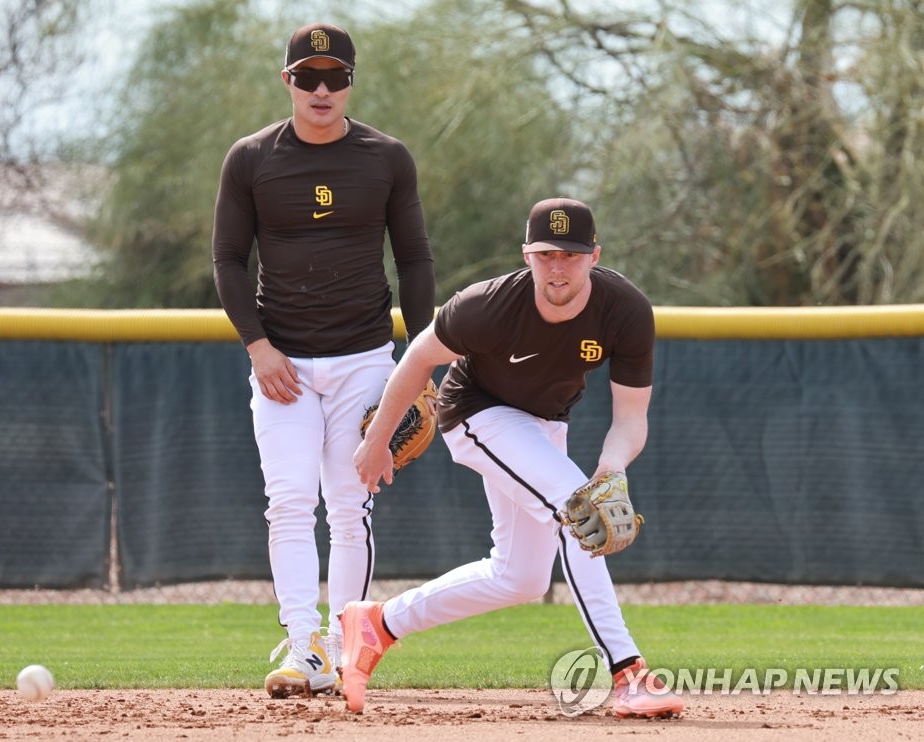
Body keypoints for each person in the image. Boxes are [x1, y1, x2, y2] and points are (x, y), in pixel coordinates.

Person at [343, 197, 684, 718]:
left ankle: (379, 624)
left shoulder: (625, 310)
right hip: (479, 413)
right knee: (581, 514)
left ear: (594, 256)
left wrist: (612, 469)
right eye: (546, 252)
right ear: (527, 254)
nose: (557, 266)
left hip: (546, 423)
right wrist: (375, 442)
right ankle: (628, 673)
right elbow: (418, 358)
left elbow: (631, 417)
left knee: (520, 577)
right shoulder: (486, 306)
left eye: (570, 254)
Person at [211, 22, 435, 698]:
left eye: (334, 76)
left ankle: (345, 646)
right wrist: (257, 345)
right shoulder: (250, 159)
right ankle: (304, 645)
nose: (320, 88)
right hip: (281, 363)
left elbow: (416, 259)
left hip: (365, 359)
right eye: (307, 76)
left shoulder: (386, 157)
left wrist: (420, 362)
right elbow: (225, 260)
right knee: (287, 503)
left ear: (350, 83)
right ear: (288, 81)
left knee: (348, 502)